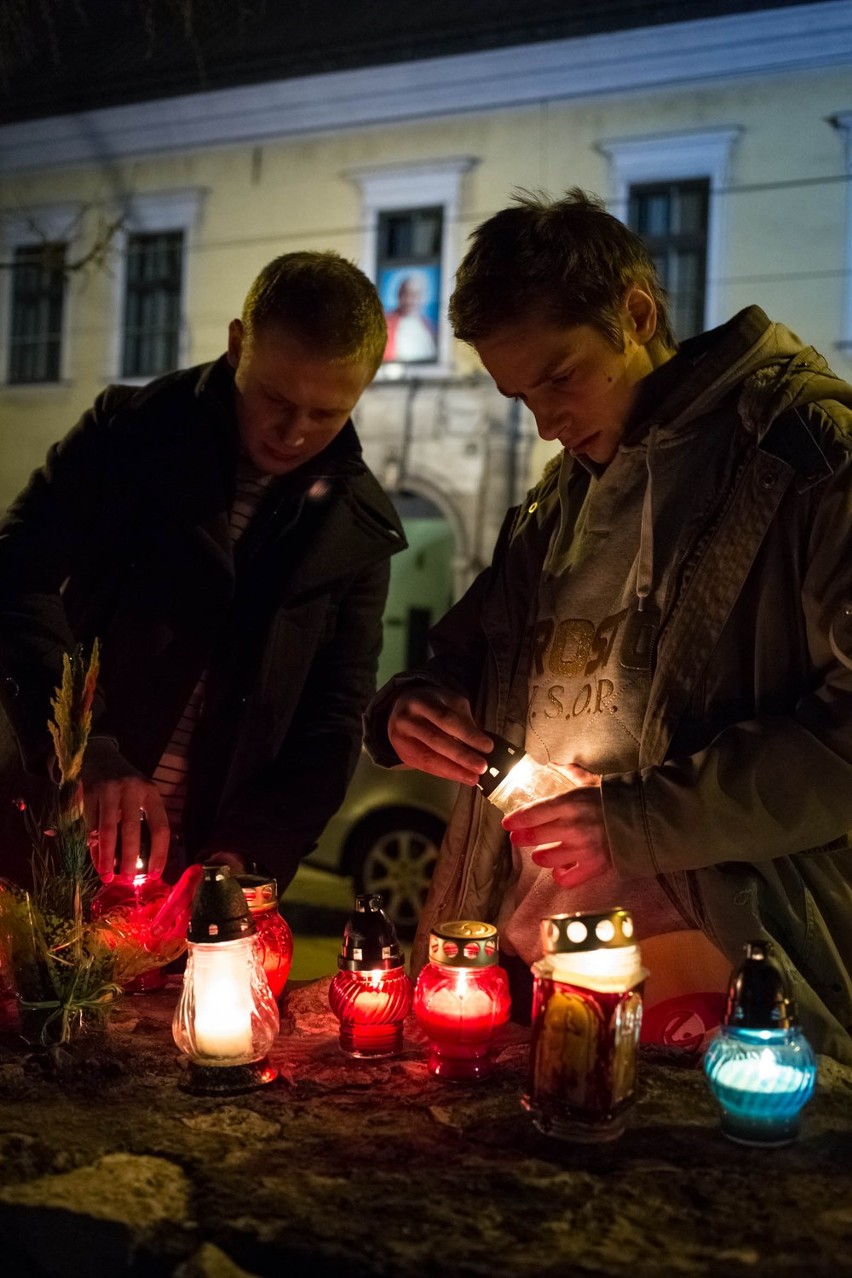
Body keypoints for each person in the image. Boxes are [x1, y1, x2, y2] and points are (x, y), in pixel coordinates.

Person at [364, 189, 852, 1063]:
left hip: (741, 997)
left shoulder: (814, 460)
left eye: (561, 376)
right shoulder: (561, 501)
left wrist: (638, 820)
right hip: (525, 974)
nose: (548, 422)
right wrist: (413, 703)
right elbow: (464, 655)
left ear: (636, 314)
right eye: (521, 396)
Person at [0, 250, 405, 891]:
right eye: (275, 396)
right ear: (237, 342)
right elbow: (16, 575)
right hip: (47, 832)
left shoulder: (354, 527)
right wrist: (82, 746)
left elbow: (332, 718)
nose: (295, 432)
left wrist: (249, 851)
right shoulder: (129, 433)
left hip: (203, 874)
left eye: (328, 413)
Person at [384, 273, 438, 363]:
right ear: (398, 295)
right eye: (405, 294)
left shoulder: (430, 326)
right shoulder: (385, 323)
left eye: (414, 295)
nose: (409, 300)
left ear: (423, 298)